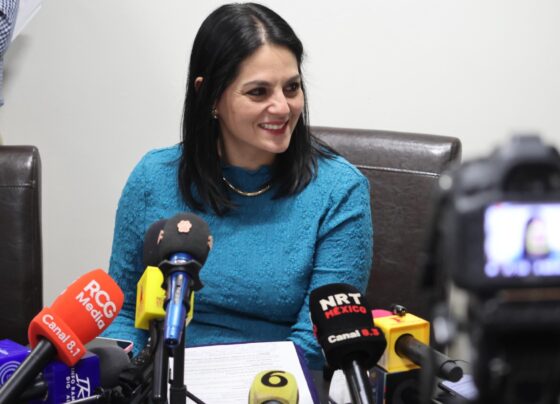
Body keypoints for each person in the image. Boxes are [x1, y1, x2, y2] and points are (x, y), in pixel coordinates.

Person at [102, 3, 373, 370]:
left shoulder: (339, 190)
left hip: (277, 384)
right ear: (210, 96)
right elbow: (123, 311)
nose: (282, 107)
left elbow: (317, 340)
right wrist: (128, 377)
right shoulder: (153, 177)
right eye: (258, 92)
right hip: (162, 380)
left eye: (291, 87)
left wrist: (229, 386)